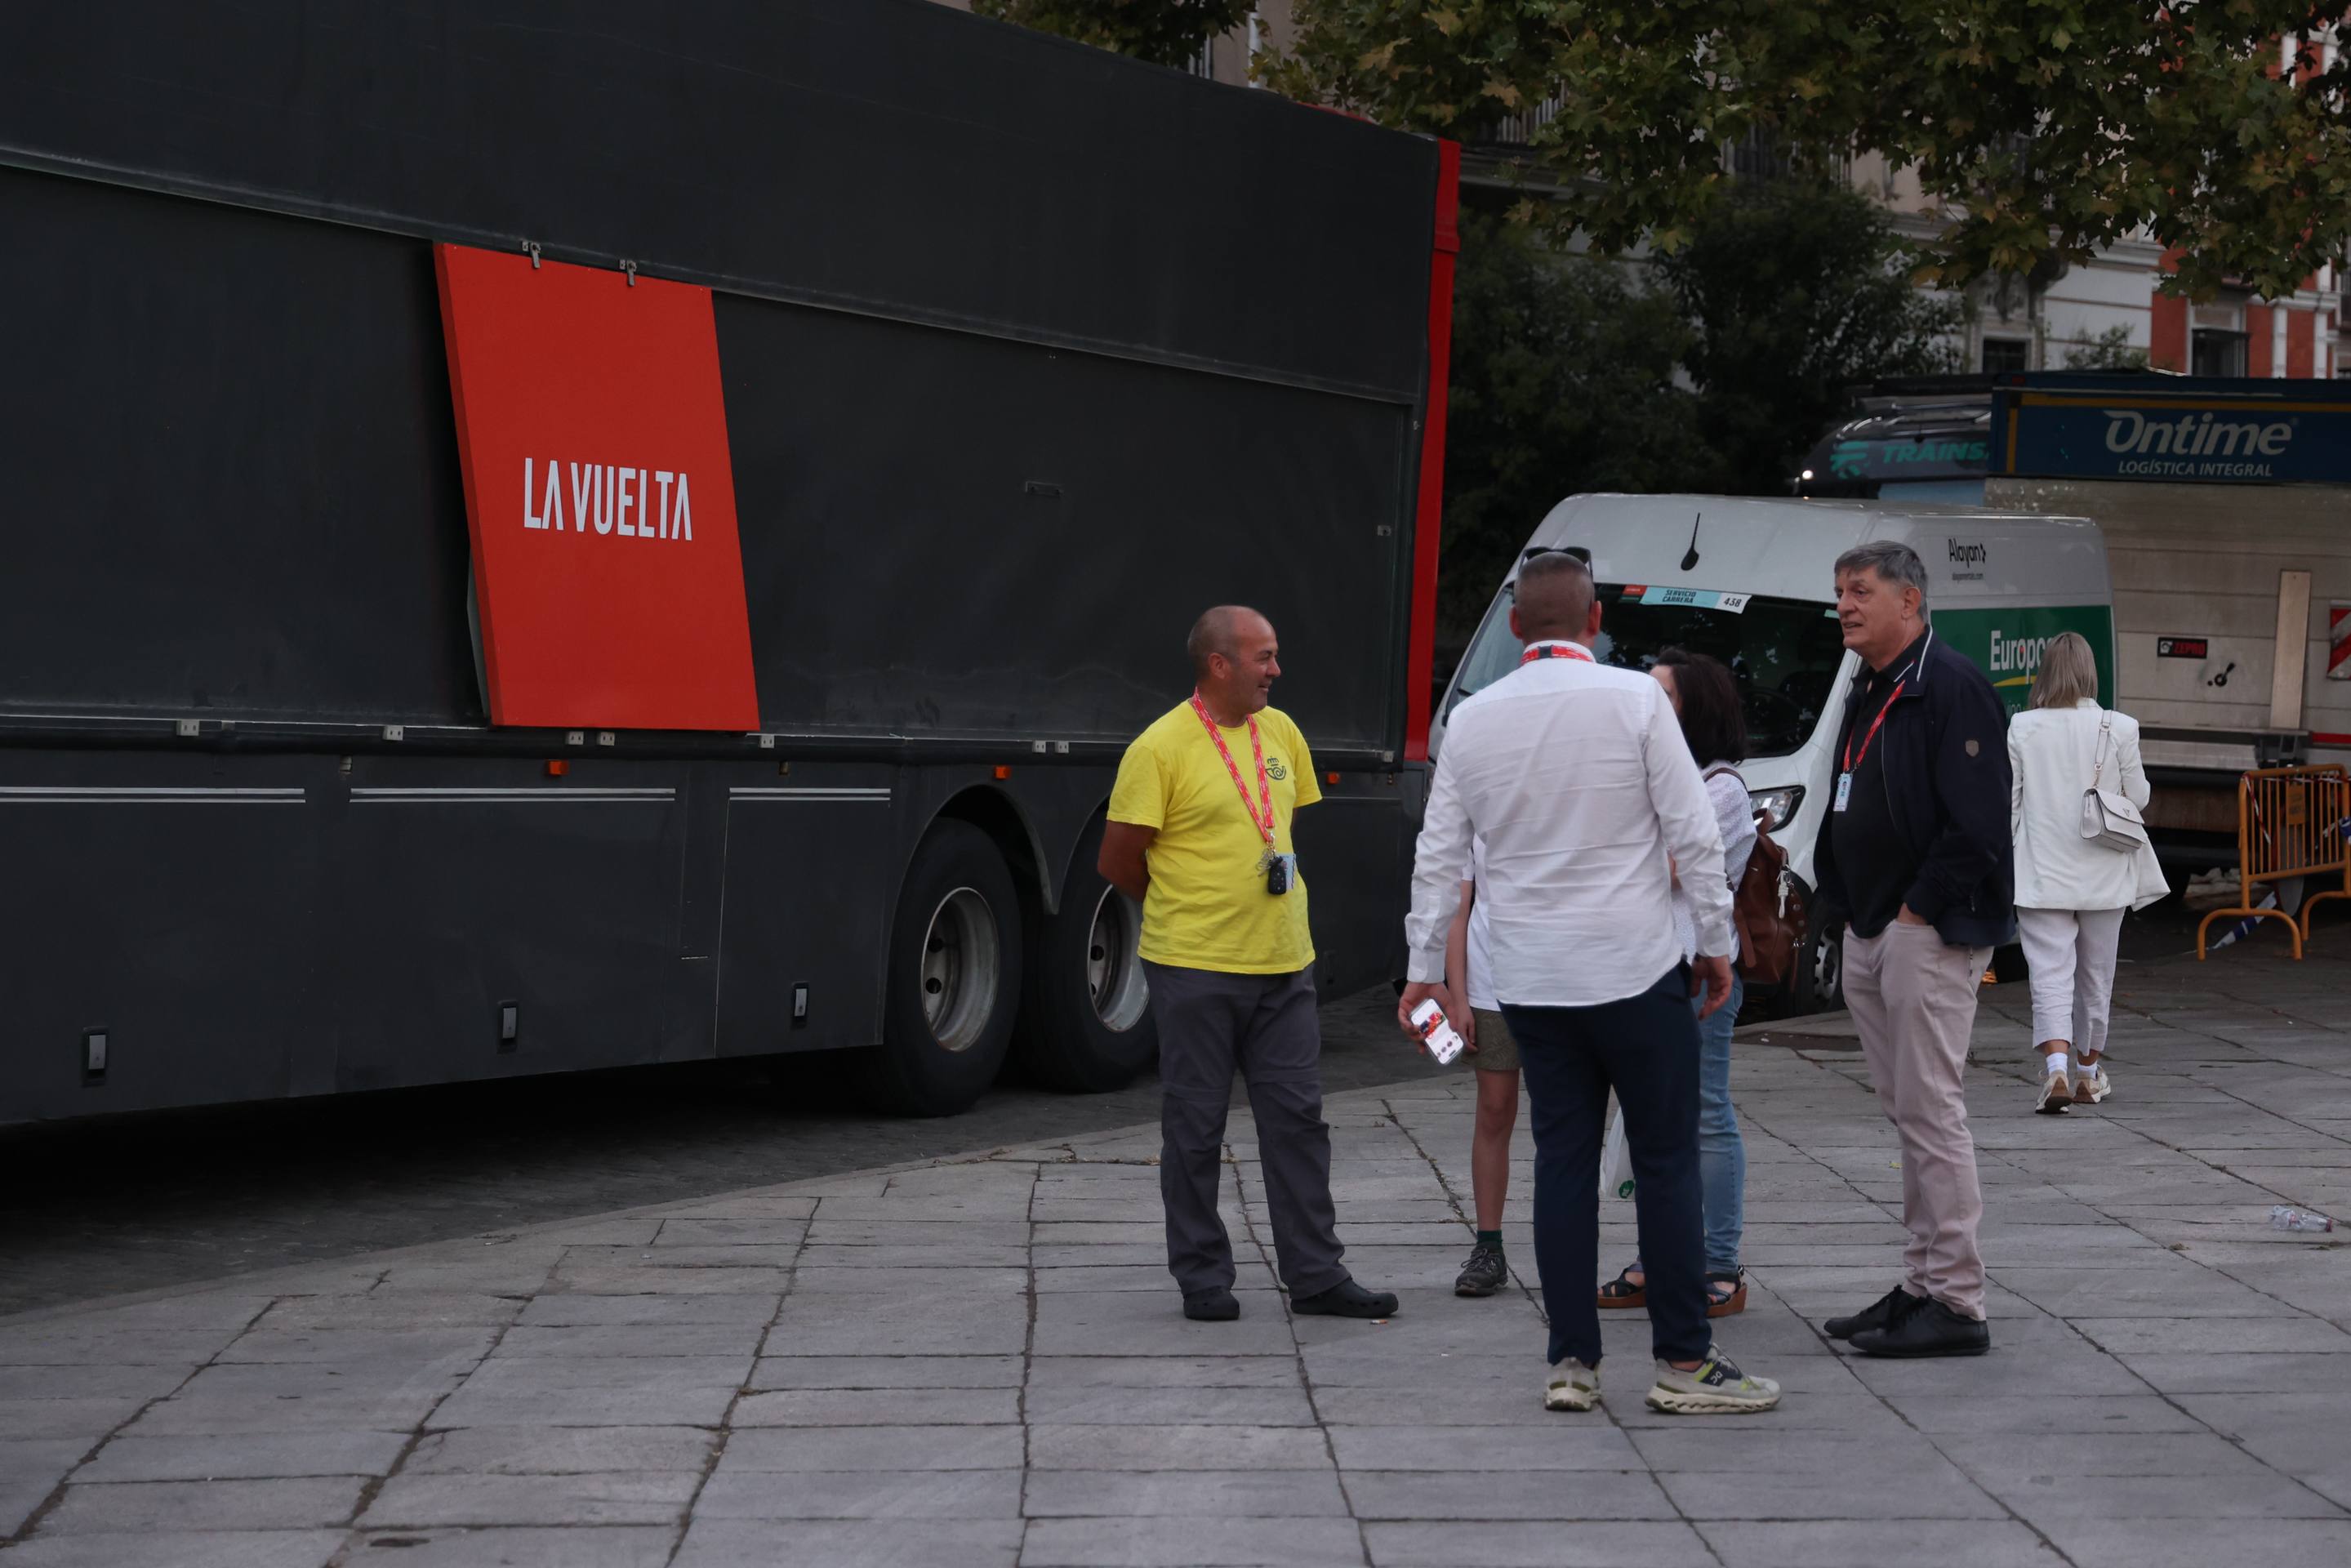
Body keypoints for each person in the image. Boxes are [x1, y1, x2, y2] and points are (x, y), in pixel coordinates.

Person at [1399, 551, 1781, 1416]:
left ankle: (1570, 1360)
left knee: (1561, 1162)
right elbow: (1690, 837)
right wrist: (1715, 945)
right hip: (1634, 967)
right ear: (1594, 620)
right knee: (1664, 1161)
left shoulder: (1473, 720)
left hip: (1530, 978)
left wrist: (1424, 971)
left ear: (1510, 626)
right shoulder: (1636, 699)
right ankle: (1683, 1361)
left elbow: (1439, 860)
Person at [1100, 605, 1399, 1325]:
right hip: (1195, 967)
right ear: (1219, 665)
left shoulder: (1281, 732)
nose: (1276, 669)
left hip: (1283, 964)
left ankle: (1316, 1276)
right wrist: (1185, 906)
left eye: (1274, 655)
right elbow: (1117, 861)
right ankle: (1203, 1276)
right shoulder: (1160, 747)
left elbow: (1279, 830)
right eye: (1263, 657)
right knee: (1196, 1127)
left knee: (1298, 1120)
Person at [1813, 541, 2011, 1360]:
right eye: (1838, 593)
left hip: (1922, 932)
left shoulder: (1950, 688)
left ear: (1909, 601)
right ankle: (1920, 1283)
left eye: (1859, 592)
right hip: (1871, 926)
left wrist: (1911, 912)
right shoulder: (1871, 682)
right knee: (1907, 1115)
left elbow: (1979, 829)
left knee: (1931, 1113)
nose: (1843, 606)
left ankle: (1957, 1301)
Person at [1595, 649, 1757, 1318]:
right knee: (1647, 1122)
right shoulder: (1652, 779)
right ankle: (1655, 1257)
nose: (1647, 705)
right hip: (1636, 969)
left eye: (1664, 695)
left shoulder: (1719, 789)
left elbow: (1661, 871)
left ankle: (1719, 1262)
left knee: (1705, 1115)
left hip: (1694, 971)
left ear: (1697, 707)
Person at [2009, 630, 2166, 1114]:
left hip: (2041, 874)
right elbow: (2138, 799)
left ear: (2046, 673)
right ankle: (2087, 1074)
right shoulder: (2120, 726)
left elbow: (2009, 804)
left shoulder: (2022, 726)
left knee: (2049, 974)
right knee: (2097, 975)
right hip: (2105, 872)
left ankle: (2055, 1068)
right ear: (2090, 673)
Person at [1440, 838, 1521, 1298]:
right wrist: (1459, 994)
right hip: (1491, 981)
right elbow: (1458, 905)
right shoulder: (1477, 792)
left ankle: (1569, 1241)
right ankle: (1488, 1247)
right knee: (1494, 1109)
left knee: (1566, 1119)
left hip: (1566, 982)